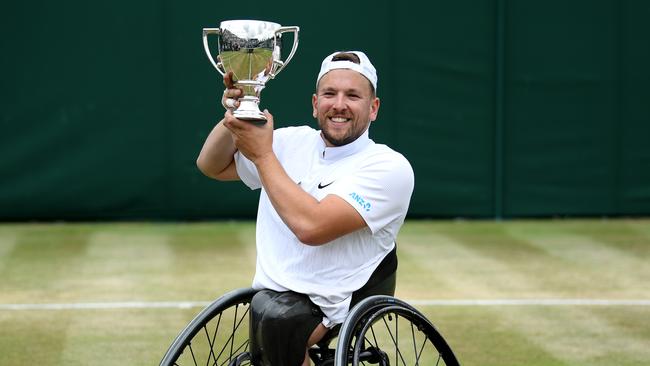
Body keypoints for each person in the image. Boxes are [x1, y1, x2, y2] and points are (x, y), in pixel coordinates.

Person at [196, 50, 414, 366]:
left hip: (338, 299)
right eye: (330, 94)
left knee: (278, 325)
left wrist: (263, 156)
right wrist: (236, 112)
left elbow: (312, 228)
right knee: (274, 321)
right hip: (274, 295)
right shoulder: (288, 142)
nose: (339, 104)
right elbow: (211, 165)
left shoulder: (390, 167)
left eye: (353, 95)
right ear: (315, 104)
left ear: (373, 108)